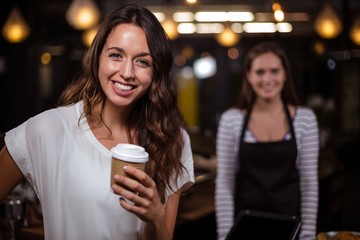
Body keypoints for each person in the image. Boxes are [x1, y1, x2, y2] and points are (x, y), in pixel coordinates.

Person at [0, 3, 194, 240]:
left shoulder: (173, 139)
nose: (127, 72)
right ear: (97, 58)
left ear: (156, 72)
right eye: (116, 55)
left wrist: (155, 217)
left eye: (143, 61)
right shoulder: (49, 129)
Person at [215, 41, 319, 240]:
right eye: (260, 72)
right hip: (245, 228)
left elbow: (309, 184)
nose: (267, 79)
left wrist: (307, 236)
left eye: (274, 71)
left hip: (291, 227)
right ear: (248, 76)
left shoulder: (305, 119)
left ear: (285, 74)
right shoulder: (231, 120)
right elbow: (225, 185)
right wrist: (225, 237)